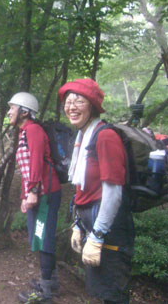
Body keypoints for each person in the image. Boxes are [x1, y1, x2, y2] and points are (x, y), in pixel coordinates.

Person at [58, 78, 134, 303]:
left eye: (78, 101)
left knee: (113, 292)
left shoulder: (105, 137)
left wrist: (98, 236)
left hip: (110, 229)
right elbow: (84, 188)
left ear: (92, 105)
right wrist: (78, 226)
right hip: (92, 225)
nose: (71, 107)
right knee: (102, 289)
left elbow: (113, 192)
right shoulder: (82, 138)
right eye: (68, 102)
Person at [7, 92, 62, 303]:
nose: (9, 111)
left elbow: (37, 162)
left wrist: (33, 191)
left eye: (13, 107)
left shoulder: (34, 130)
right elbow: (26, 168)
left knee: (43, 237)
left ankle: (45, 292)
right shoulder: (24, 132)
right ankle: (51, 280)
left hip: (46, 192)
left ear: (24, 111)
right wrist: (24, 194)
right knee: (40, 237)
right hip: (38, 190)